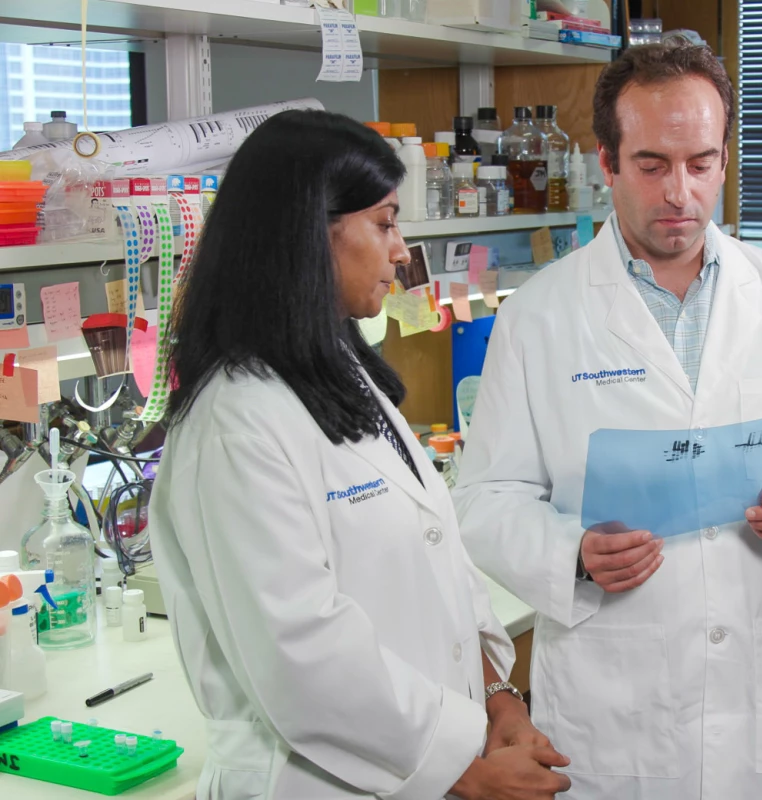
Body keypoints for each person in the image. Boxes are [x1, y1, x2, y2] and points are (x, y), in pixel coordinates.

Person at [453, 43, 762, 799]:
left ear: (723, 160)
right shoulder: (541, 317)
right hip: (615, 709)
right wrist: (574, 554)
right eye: (652, 165)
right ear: (607, 163)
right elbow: (487, 496)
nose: (679, 192)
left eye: (701, 163)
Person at [150, 110, 571, 800]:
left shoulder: (340, 375)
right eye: (383, 223)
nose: (401, 249)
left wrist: (498, 696)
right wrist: (460, 765)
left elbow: (439, 556)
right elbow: (301, 654)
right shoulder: (235, 420)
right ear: (308, 234)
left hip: (425, 760)